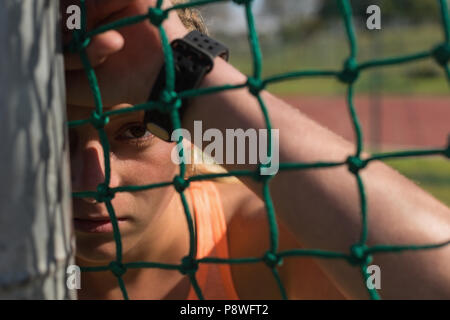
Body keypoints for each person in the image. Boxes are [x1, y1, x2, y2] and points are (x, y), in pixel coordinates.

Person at [64, 0, 450, 300]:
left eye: (135, 131)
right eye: (63, 140)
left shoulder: (254, 243)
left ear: (188, 135)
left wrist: (187, 79)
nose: (96, 181)